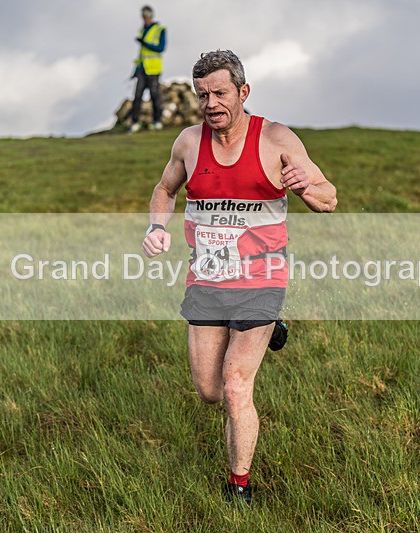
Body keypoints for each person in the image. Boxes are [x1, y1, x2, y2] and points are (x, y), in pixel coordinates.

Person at [141, 50, 337, 504]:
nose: (211, 103)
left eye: (220, 93)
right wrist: (156, 227)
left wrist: (306, 187)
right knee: (209, 391)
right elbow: (164, 189)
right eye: (203, 95)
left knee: (234, 386)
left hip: (261, 279)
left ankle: (239, 485)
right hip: (206, 279)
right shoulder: (189, 143)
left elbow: (329, 198)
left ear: (243, 92)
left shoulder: (276, 139)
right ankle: (273, 332)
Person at [129, 5, 166, 133]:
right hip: (142, 69)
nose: (145, 19)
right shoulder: (142, 30)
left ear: (151, 16)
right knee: (137, 96)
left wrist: (145, 43)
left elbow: (161, 48)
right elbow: (141, 54)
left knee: (155, 96)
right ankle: (135, 122)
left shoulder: (160, 29)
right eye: (143, 17)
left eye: (147, 16)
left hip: (154, 70)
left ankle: (157, 122)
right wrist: (135, 70)